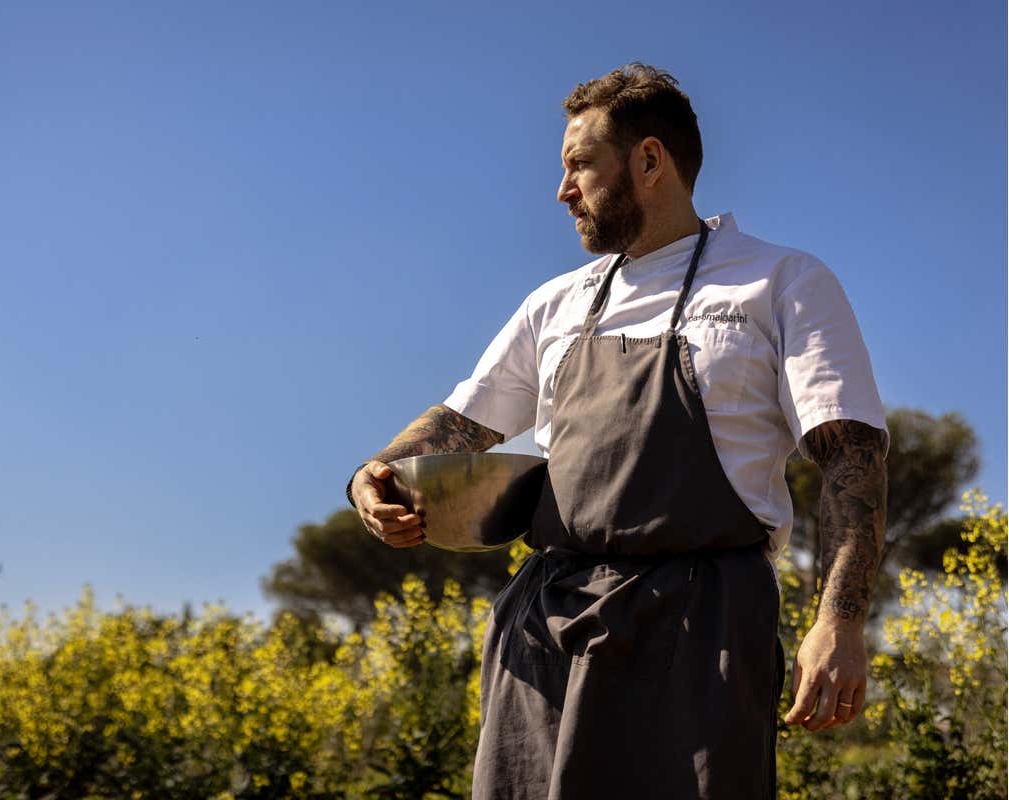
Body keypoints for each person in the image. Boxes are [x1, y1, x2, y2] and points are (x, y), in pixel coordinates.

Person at [345, 63, 888, 799]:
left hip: (704, 628)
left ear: (650, 161)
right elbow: (461, 423)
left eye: (579, 165)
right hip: (549, 626)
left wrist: (840, 622)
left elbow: (851, 459)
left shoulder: (780, 281)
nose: (563, 190)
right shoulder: (556, 303)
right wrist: (372, 474)